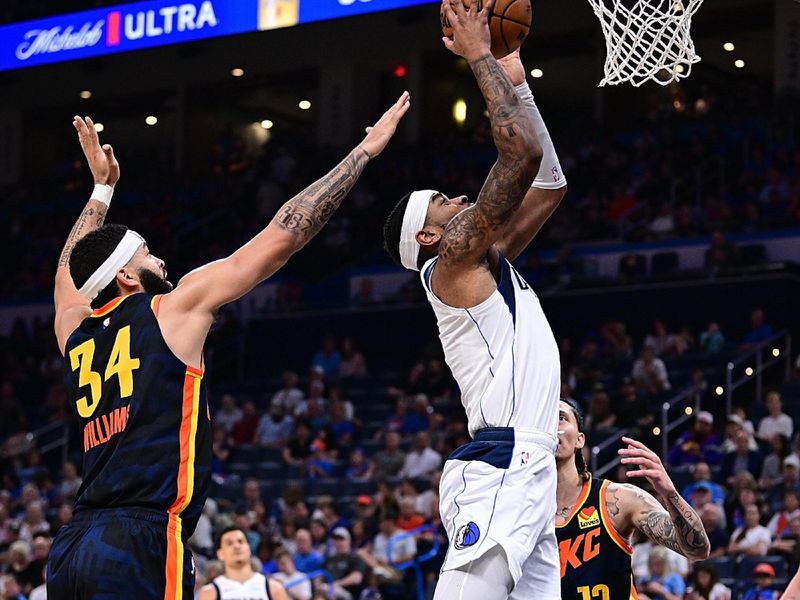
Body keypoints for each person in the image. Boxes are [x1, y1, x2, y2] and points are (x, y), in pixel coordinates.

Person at [48, 98, 409, 600]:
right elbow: (282, 236)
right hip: (142, 537)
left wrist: (101, 190)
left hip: (71, 547)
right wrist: (363, 153)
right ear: (127, 276)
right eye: (147, 253)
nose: (162, 258)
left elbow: (68, 279)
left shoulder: (75, 331)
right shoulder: (171, 310)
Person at [382, 2, 567, 597]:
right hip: (500, 461)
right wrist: (480, 56)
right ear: (429, 237)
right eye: (442, 200)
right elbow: (521, 157)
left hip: (533, 470)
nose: (458, 196)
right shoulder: (452, 264)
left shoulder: (487, 262)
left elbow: (549, 185)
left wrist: (515, 76)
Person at [555, 400, 709, 600]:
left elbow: (698, 550)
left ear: (580, 440)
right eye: (545, 419)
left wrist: (669, 493)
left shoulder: (617, 499)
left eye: (560, 418)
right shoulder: (520, 508)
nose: (551, 426)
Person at [197, 526, 287, 600]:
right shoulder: (209, 593)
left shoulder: (274, 589)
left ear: (249, 548)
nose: (236, 546)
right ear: (220, 554)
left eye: (240, 541)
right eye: (229, 543)